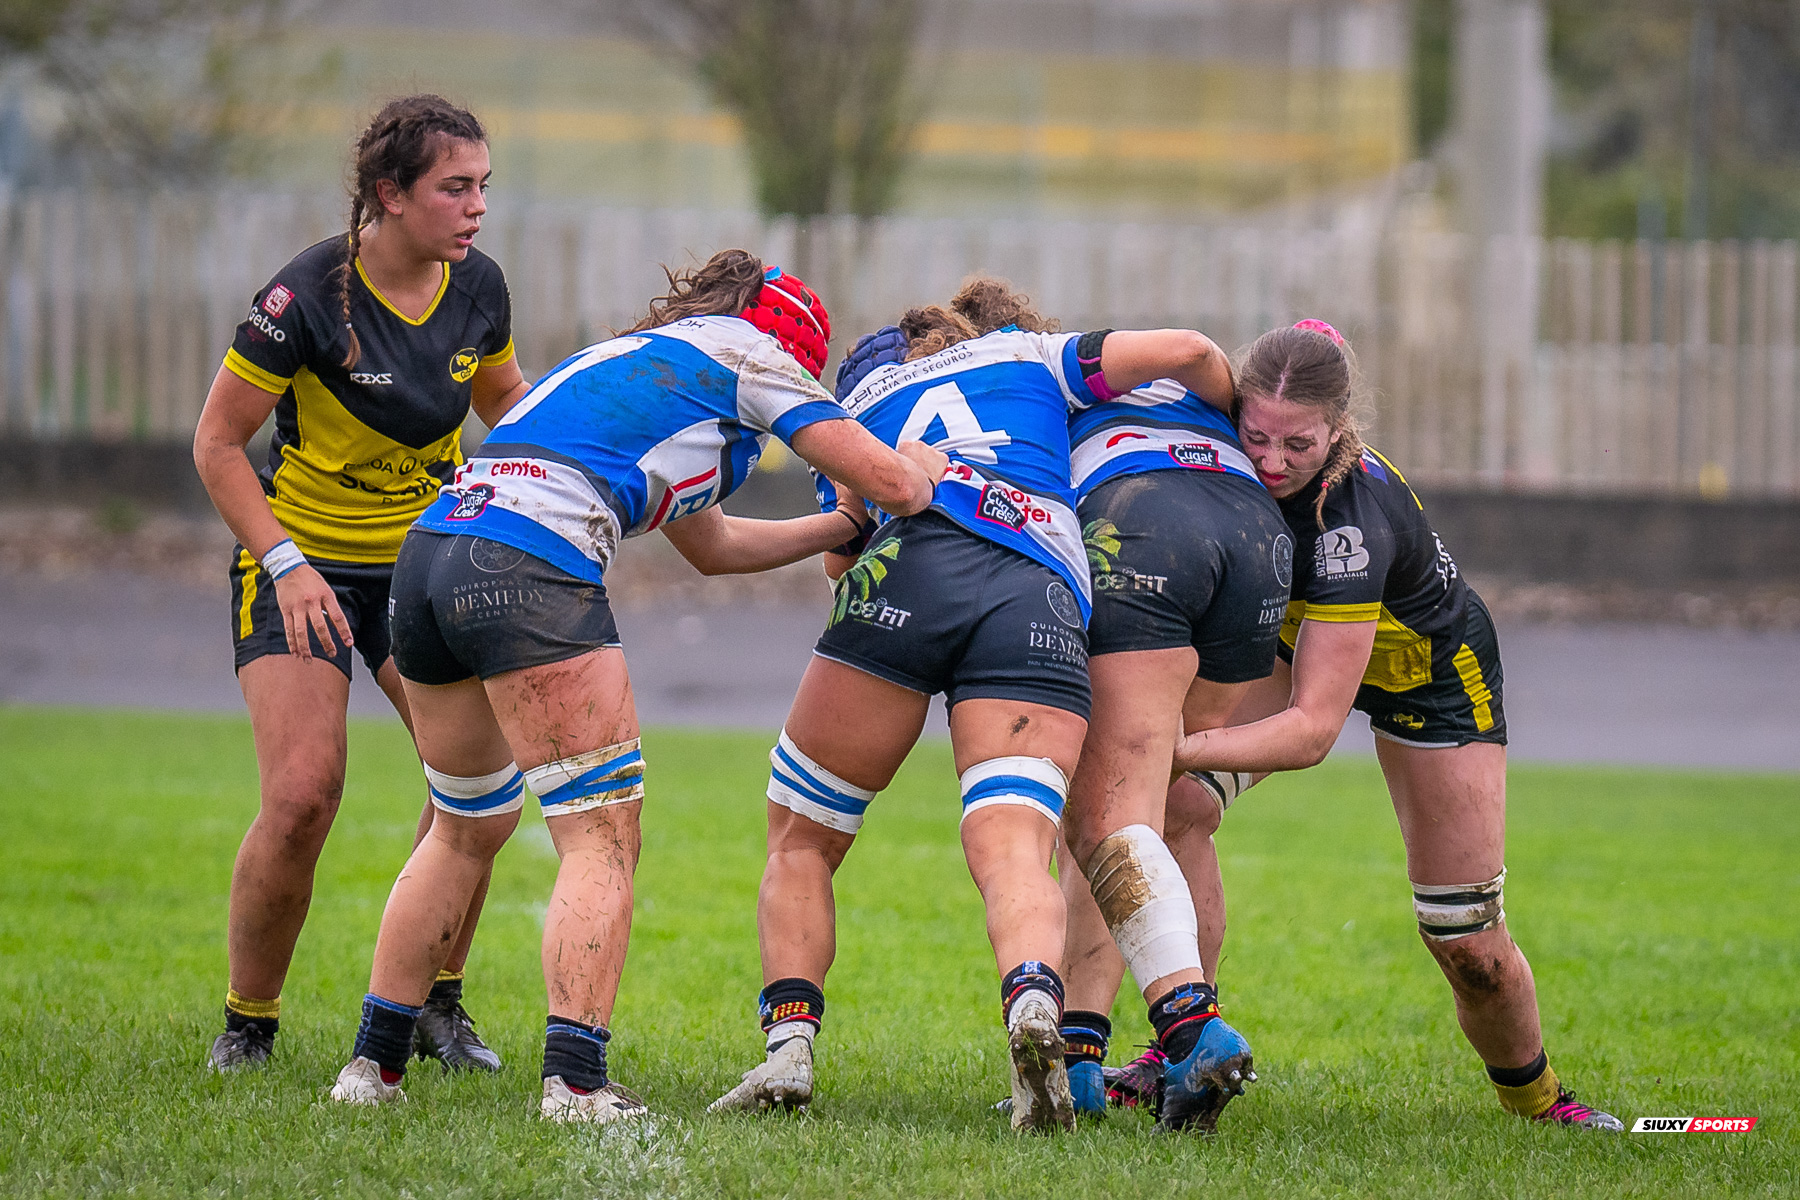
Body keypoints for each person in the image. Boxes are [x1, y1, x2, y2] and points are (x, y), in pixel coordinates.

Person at [325, 251, 946, 1124]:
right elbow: (895, 482)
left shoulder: (643, 362)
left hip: (433, 555)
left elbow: (716, 548)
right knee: (601, 838)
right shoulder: (752, 357)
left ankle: (371, 1068)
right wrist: (907, 468)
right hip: (530, 562)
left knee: (464, 826)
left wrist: (836, 526)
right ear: (791, 348)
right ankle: (575, 1080)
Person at [709, 280, 1241, 1132]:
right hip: (1036, 588)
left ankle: (790, 1049)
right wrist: (1233, 425)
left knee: (802, 838)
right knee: (1014, 845)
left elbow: (841, 564)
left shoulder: (854, 408)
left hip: (903, 576)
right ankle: (1035, 1009)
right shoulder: (1027, 354)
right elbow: (1186, 351)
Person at [1156, 320, 1624, 1131]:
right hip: (1297, 648)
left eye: (1296, 444)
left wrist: (1171, 745)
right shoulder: (1220, 444)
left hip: (1432, 679)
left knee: (1466, 941)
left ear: (1337, 429)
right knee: (1179, 809)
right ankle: (1186, 1044)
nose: (1269, 460)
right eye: (1255, 434)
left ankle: (1541, 1104)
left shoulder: (1349, 522)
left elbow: (1311, 731)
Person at [192, 95, 528, 1073]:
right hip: (298, 562)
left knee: (476, 790)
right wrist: (286, 565)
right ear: (390, 193)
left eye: (483, 188)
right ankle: (248, 1024)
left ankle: (432, 1004)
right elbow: (217, 445)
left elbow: (507, 408)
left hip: (423, 566)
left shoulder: (479, 290)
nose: (475, 208)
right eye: (454, 188)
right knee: (303, 796)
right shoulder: (308, 297)